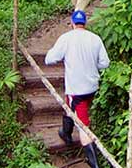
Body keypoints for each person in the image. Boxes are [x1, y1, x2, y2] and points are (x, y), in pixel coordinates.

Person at [46, 10, 110, 168]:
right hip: (92, 87)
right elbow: (105, 63)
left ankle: (94, 163)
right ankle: (66, 134)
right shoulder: (95, 38)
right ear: (85, 23)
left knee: (83, 125)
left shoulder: (66, 38)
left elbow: (49, 59)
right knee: (70, 106)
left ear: (72, 23)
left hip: (77, 88)